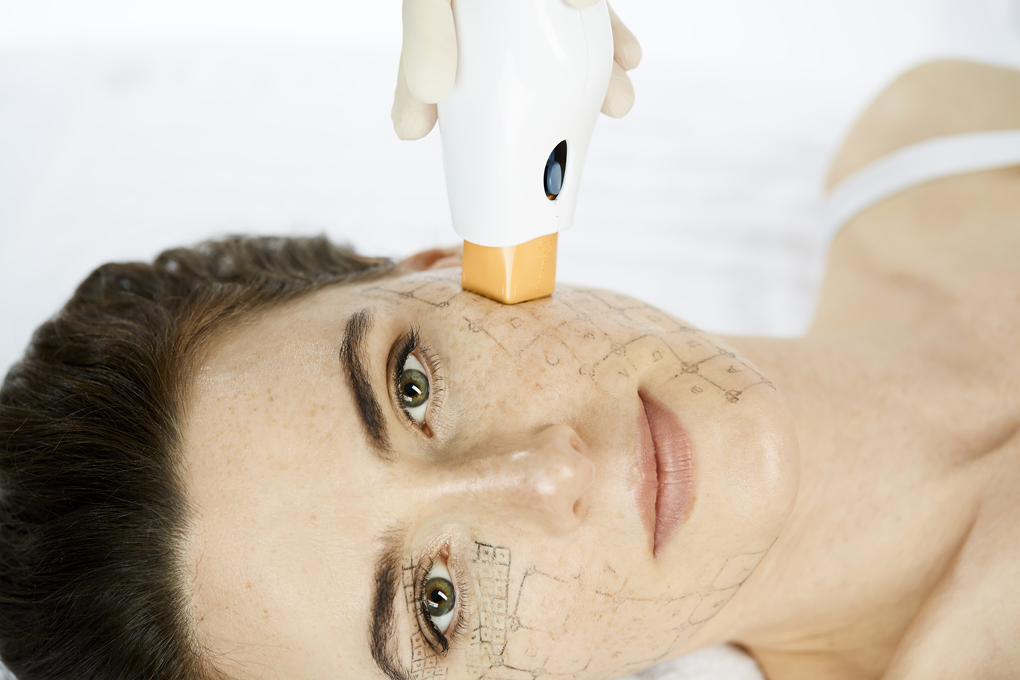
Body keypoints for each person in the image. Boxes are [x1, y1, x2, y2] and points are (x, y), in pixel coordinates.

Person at [1, 56, 1019, 680]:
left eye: (411, 386)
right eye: (437, 603)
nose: (548, 473)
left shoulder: (936, 138)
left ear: (444, 261)